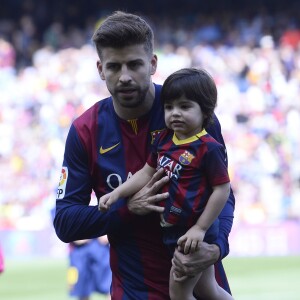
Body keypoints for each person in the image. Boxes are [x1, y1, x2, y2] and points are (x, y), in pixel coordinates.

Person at [53, 11, 235, 299]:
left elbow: (223, 193)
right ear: (101, 69)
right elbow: (65, 222)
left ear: (152, 64)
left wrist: (216, 247)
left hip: (200, 284)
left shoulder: (194, 115)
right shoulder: (85, 131)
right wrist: (126, 209)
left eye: (134, 64)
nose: (124, 76)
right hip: (134, 290)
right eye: (114, 66)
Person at [99, 68, 233, 300]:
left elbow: (222, 189)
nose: (175, 113)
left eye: (185, 106)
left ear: (206, 110)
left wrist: (200, 228)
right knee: (207, 289)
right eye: (169, 107)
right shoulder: (164, 140)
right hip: (174, 227)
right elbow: (146, 172)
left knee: (179, 292)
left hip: (191, 231)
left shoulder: (207, 147)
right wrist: (117, 193)